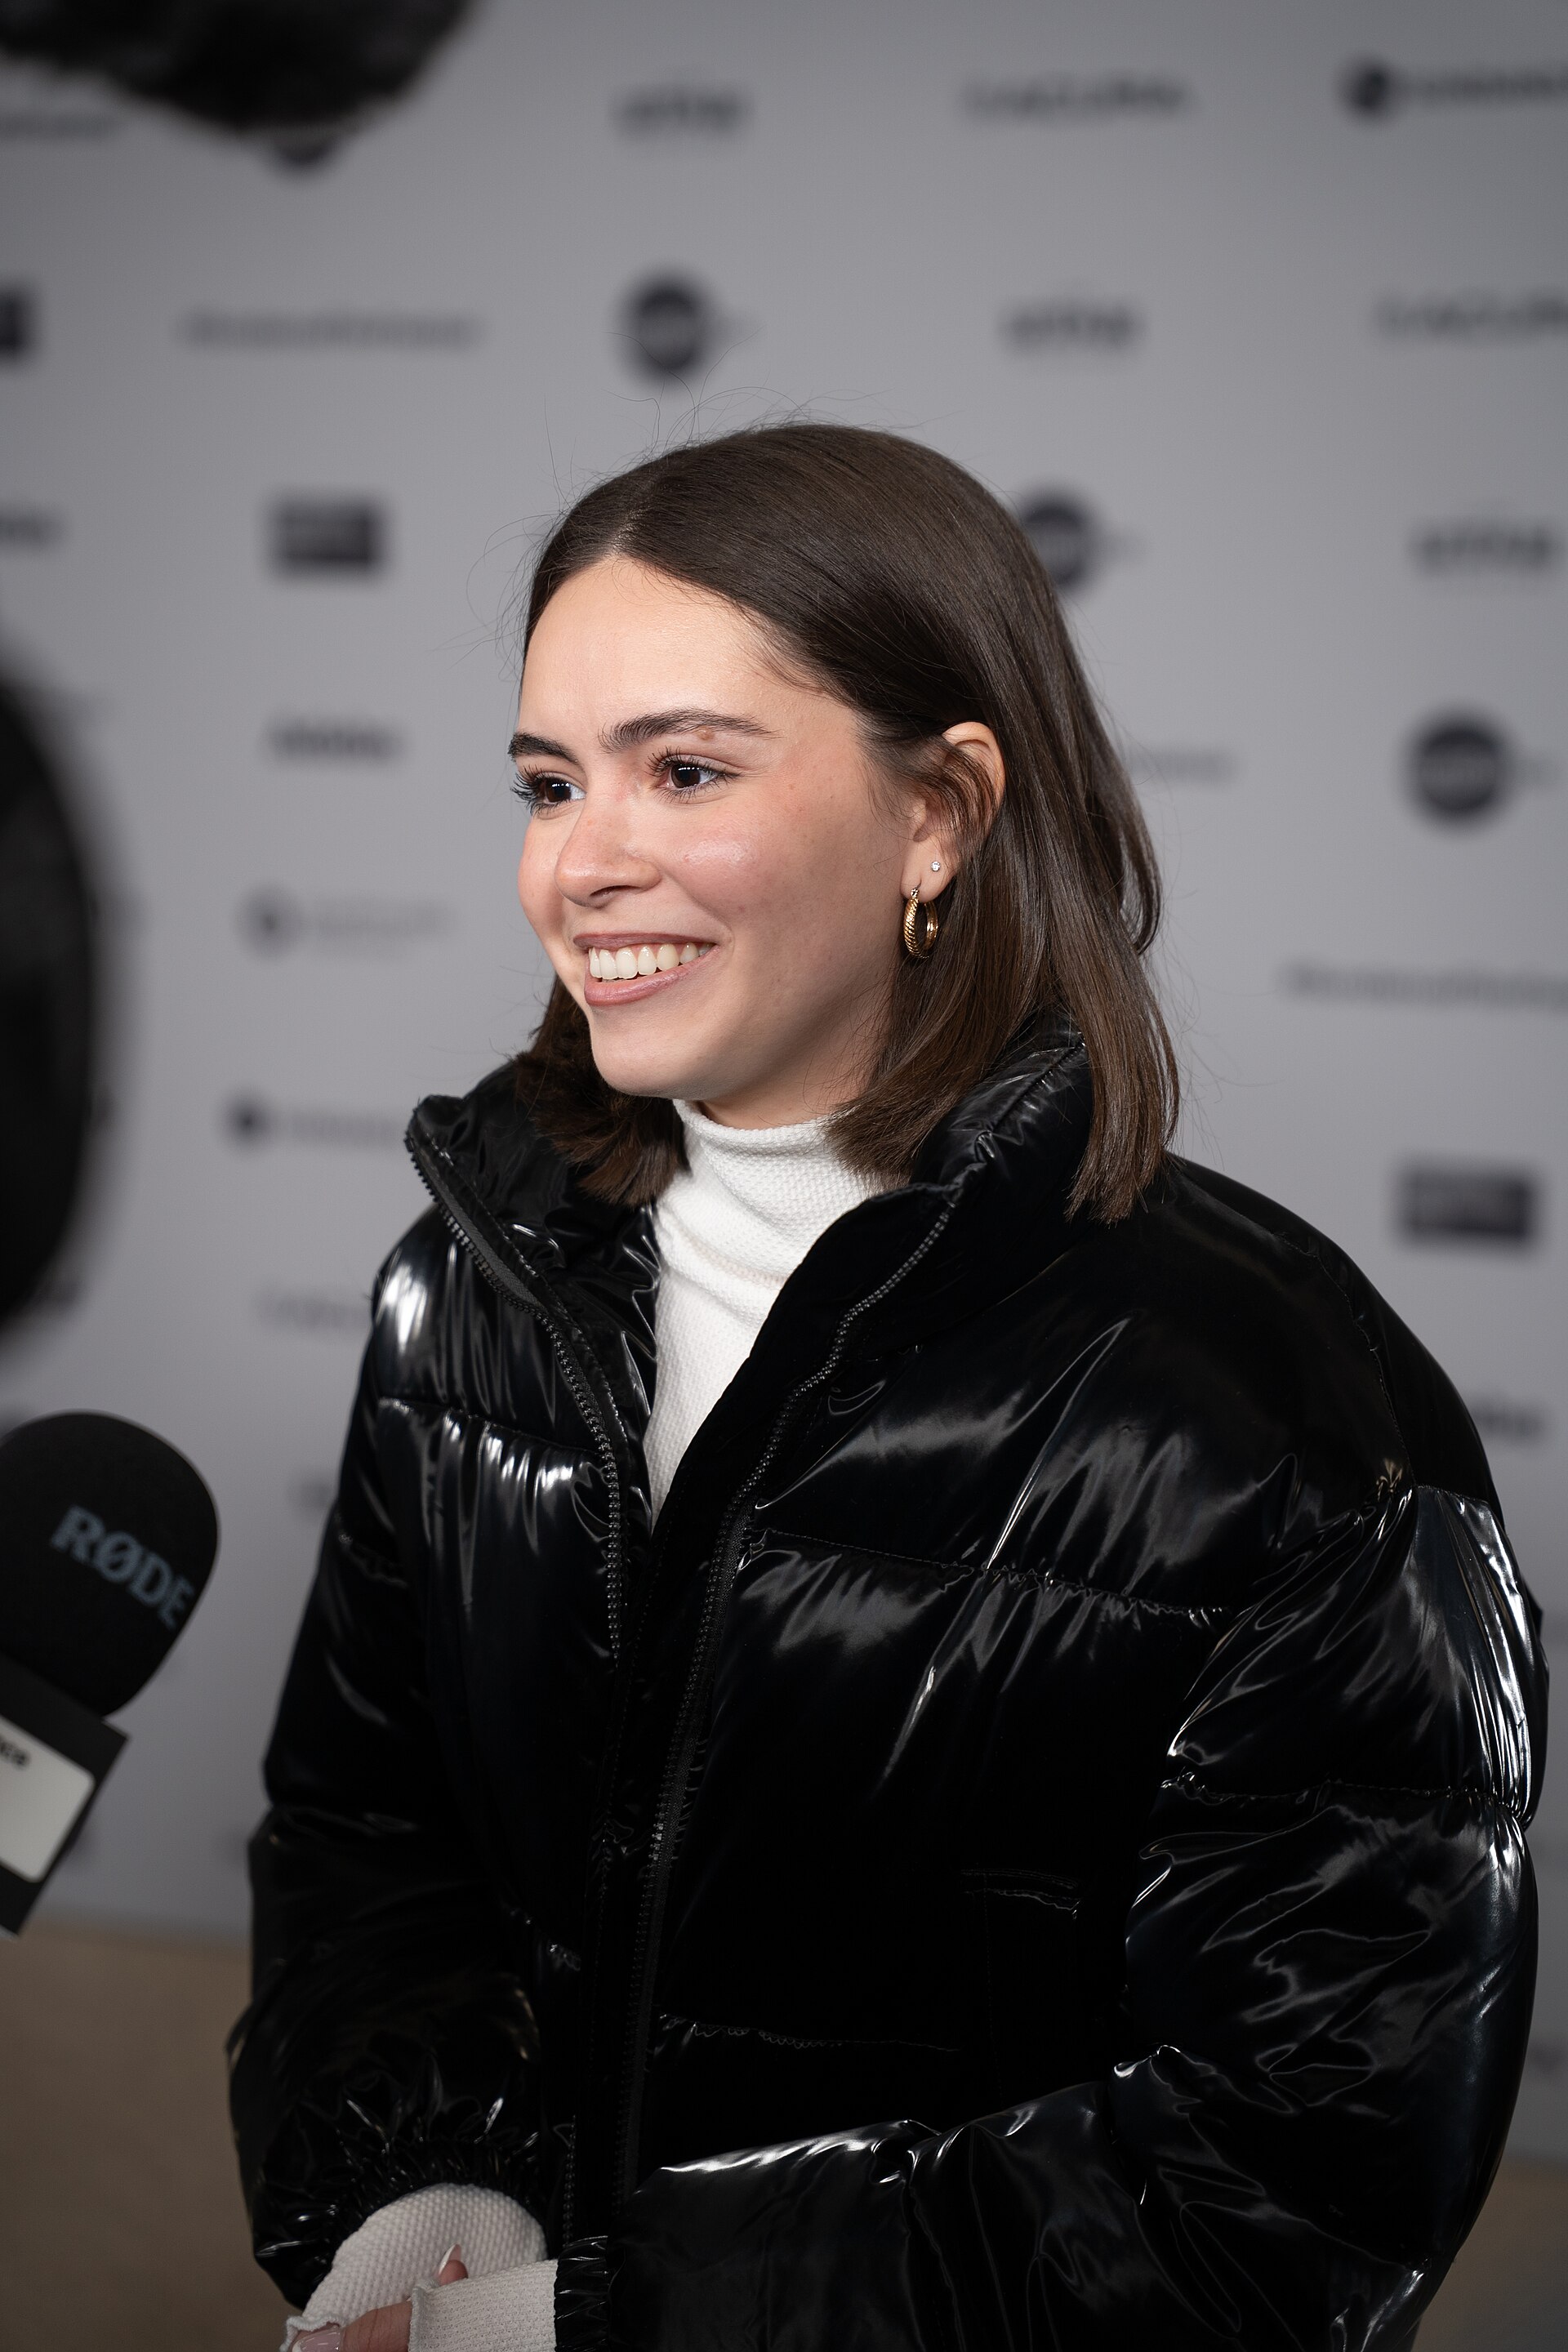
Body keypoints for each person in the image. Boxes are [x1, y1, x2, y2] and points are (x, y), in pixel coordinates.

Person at [229, 424, 1545, 2352]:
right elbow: (365, 1845)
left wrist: (590, 2328)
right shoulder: (465, 1294)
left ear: (940, 813)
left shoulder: (1284, 1428)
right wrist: (420, 2204)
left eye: (686, 770)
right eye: (548, 782)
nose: (582, 863)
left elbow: (1279, 2197)